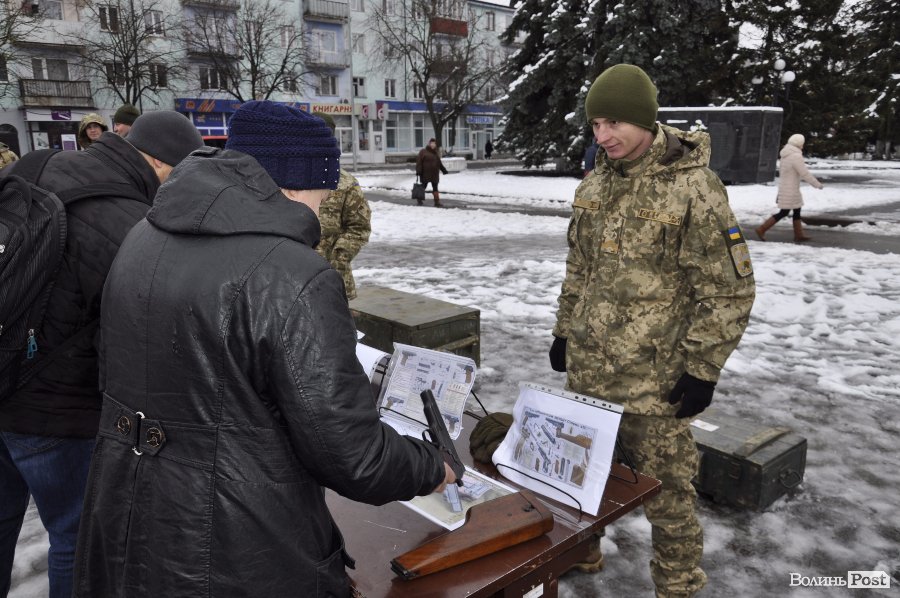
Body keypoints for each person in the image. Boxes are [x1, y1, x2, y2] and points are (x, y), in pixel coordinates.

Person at [71, 100, 454, 597]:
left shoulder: (143, 234)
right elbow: (351, 454)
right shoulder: (293, 274)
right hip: (236, 545)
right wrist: (431, 466)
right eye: (322, 193)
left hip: (128, 517)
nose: (321, 211)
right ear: (293, 185)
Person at [549, 64, 755, 598]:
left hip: (654, 382)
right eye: (595, 125)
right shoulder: (595, 182)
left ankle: (677, 585)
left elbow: (728, 290)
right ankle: (584, 551)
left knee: (669, 495)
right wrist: (565, 330)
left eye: (614, 123)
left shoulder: (694, 189)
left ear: (644, 119)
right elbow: (579, 268)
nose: (602, 136)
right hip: (590, 369)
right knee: (583, 473)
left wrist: (703, 370)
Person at [0, 111, 203, 598]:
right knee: (76, 536)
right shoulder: (133, 224)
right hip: (55, 414)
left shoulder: (32, 165)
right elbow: (132, 338)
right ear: (159, 163)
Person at [312, 111, 372, 301]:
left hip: (333, 281)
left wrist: (339, 258)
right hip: (292, 280)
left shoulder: (345, 183)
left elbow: (359, 227)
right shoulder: (288, 180)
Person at [755, 133, 823, 242]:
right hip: (791, 189)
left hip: (787, 187)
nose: (803, 145)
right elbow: (804, 173)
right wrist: (817, 184)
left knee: (797, 210)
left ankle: (799, 235)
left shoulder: (786, 154)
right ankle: (761, 229)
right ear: (799, 143)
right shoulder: (795, 156)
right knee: (784, 212)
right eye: (802, 143)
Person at [416, 137, 448, 207]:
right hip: (425, 174)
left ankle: (437, 202)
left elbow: (439, 163)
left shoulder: (436, 152)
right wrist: (418, 171)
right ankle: (419, 199)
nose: (433, 145)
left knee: (435, 188)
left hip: (434, 174)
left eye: (434, 143)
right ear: (429, 144)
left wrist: (443, 170)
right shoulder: (423, 151)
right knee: (423, 186)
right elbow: (419, 162)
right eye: (431, 143)